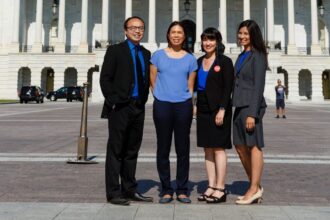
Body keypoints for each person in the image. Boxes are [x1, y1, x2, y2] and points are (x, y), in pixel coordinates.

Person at [100, 16, 153, 206]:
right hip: (120, 107)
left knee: (132, 150)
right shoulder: (115, 50)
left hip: (138, 106)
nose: (137, 31)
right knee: (116, 150)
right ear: (125, 30)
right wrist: (114, 101)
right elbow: (105, 78)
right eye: (133, 28)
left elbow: (146, 79)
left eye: (141, 28)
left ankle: (129, 189)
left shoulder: (145, 53)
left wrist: (143, 99)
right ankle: (113, 192)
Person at [150, 21, 197, 204]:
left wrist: (187, 100)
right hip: (162, 104)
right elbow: (152, 80)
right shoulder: (157, 56)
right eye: (173, 32)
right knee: (163, 147)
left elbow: (191, 84)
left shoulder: (190, 58)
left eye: (180, 32)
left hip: (183, 105)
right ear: (168, 35)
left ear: (184, 36)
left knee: (183, 148)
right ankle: (166, 189)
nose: (176, 35)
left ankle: (182, 189)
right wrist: (160, 96)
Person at [195, 28, 234, 204]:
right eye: (204, 40)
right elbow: (196, 86)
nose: (207, 43)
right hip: (203, 107)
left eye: (211, 40)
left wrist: (222, 109)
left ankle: (220, 187)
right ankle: (210, 185)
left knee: (218, 147)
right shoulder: (198, 61)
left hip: (219, 108)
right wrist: (195, 105)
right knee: (207, 148)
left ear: (217, 42)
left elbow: (228, 88)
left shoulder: (224, 62)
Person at [232, 20, 267, 205]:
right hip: (239, 105)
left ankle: (253, 188)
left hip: (251, 107)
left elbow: (258, 86)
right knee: (239, 146)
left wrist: (253, 113)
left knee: (253, 146)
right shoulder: (242, 55)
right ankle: (256, 186)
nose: (242, 37)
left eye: (246, 34)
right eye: (240, 33)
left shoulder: (258, 55)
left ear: (253, 35)